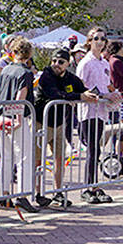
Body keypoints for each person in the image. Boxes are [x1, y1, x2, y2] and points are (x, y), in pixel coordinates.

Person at [35, 48, 99, 208]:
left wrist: (94, 95)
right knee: (37, 160)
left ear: (68, 64)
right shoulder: (46, 75)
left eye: (61, 62)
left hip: (59, 124)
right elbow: (54, 94)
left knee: (59, 158)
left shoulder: (71, 78)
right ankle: (38, 194)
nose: (56, 64)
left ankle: (58, 192)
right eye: (54, 61)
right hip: (40, 122)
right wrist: (79, 97)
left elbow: (83, 90)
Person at [0, 38, 38, 213]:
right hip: (15, 116)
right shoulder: (25, 73)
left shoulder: (6, 69)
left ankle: (4, 193)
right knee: (24, 156)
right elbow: (22, 94)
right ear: (29, 54)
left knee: (6, 156)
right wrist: (18, 118)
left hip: (1, 115)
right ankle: (22, 195)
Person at [76, 27, 120, 204]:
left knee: (97, 149)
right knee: (92, 149)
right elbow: (82, 88)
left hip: (101, 112)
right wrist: (103, 96)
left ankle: (94, 185)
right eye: (96, 38)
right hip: (88, 111)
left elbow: (105, 85)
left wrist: (113, 93)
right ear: (89, 41)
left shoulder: (103, 63)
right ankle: (88, 187)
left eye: (103, 39)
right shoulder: (85, 63)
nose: (100, 42)